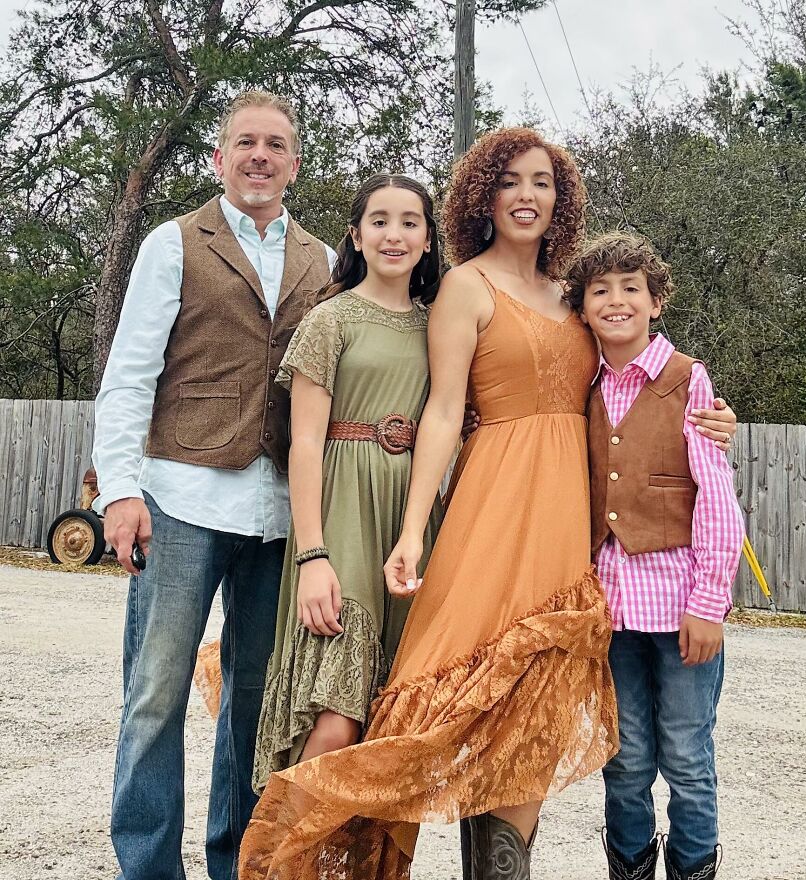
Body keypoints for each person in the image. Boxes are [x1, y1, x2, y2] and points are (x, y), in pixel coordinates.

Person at [238, 127, 618, 880]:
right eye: (510, 181)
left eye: (541, 181)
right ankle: (280, 860)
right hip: (491, 505)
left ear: (561, 198)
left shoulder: (574, 294)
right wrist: (413, 529)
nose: (526, 195)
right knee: (428, 705)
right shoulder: (463, 287)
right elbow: (442, 412)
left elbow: (634, 368)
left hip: (564, 516)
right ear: (484, 195)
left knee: (530, 710)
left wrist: (705, 407)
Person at [91, 90, 336, 880]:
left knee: (258, 707)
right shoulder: (173, 242)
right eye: (244, 143)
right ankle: (148, 867)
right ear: (219, 158)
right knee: (156, 697)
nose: (259, 156)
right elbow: (129, 375)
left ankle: (239, 863)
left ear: (294, 164)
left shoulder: (323, 260)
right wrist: (120, 491)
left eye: (275, 145)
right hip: (180, 500)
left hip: (278, 517)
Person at [251, 173, 444, 791]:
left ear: (428, 239)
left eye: (409, 221)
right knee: (334, 718)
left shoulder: (440, 326)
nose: (394, 234)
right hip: (339, 514)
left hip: (409, 517)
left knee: (389, 722)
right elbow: (304, 442)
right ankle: (279, 858)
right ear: (356, 236)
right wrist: (312, 554)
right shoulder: (328, 321)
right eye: (379, 220)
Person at [568, 232, 745, 880]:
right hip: (610, 613)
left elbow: (717, 502)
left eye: (630, 288)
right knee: (627, 758)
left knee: (688, 758)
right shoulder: (583, 386)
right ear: (582, 309)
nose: (615, 300)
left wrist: (709, 605)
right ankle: (631, 870)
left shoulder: (686, 380)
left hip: (680, 612)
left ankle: (694, 868)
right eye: (599, 290)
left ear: (656, 302)